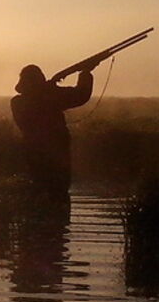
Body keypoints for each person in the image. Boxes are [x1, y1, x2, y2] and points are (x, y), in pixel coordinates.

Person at [10, 62, 97, 201]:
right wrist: (85, 73)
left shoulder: (18, 102)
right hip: (55, 153)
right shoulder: (45, 97)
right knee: (58, 191)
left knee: (39, 190)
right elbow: (81, 95)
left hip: (33, 152)